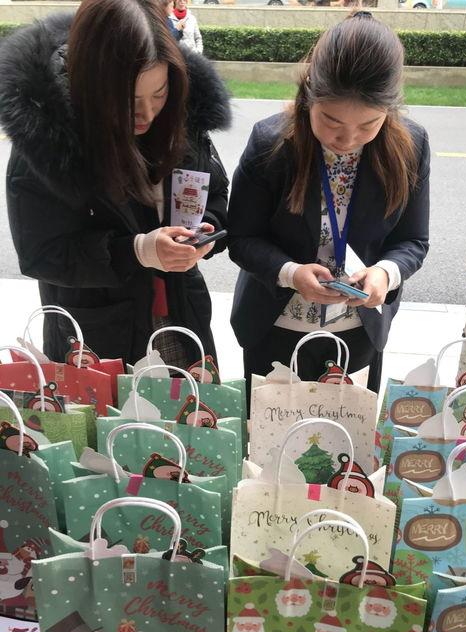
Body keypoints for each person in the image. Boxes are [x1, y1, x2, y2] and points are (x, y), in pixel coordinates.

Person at [0, 0, 231, 368]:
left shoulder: (183, 110)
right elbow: (42, 253)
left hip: (181, 319)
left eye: (158, 94)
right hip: (97, 337)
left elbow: (213, 189)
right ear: (91, 85)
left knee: (189, 404)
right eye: (129, 100)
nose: (147, 113)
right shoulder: (47, 138)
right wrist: (138, 250)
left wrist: (207, 230)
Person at [227, 12, 430, 396]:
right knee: (271, 431)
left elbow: (413, 241)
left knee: (347, 432)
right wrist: (290, 273)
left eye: (368, 125)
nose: (347, 139)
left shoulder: (410, 146)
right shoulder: (272, 143)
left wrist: (385, 273)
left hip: (357, 331)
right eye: (331, 121)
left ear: (389, 111)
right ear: (308, 96)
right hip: (275, 328)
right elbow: (241, 237)